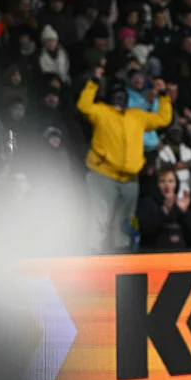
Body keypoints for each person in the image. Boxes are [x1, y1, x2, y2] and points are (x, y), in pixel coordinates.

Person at [76, 68, 173, 252]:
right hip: (102, 174)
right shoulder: (101, 112)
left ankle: (124, 258)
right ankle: (92, 257)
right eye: (116, 95)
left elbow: (163, 118)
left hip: (130, 179)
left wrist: (162, 95)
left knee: (126, 223)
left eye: (122, 96)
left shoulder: (136, 116)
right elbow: (83, 106)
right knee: (99, 218)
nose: (120, 99)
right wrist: (94, 82)